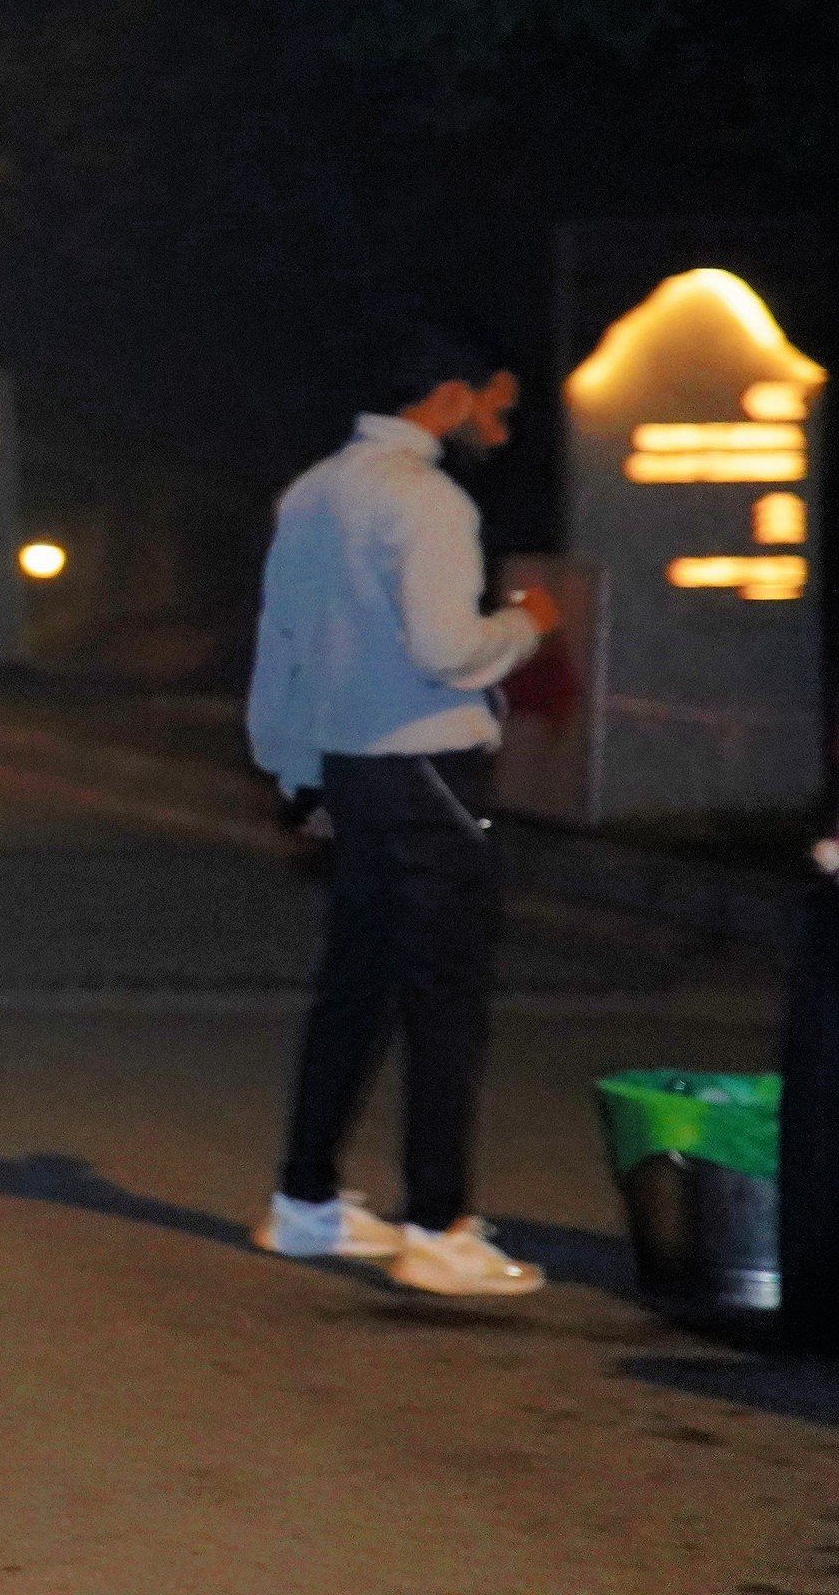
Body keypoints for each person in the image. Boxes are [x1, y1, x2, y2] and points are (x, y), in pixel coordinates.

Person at [246, 319, 562, 1297]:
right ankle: (438, 1226)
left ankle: (306, 1202)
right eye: (497, 406)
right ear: (452, 395)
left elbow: (282, 648)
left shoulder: (312, 490)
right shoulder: (428, 499)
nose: (502, 428)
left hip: (351, 768)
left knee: (355, 986)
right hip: (428, 768)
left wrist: (299, 774)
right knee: (444, 999)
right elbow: (446, 650)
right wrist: (527, 624)